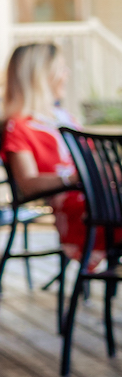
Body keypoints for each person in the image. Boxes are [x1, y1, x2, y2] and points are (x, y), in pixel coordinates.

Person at [2, 43, 87, 260]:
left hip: (98, 199)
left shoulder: (65, 118)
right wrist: (73, 178)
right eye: (61, 68)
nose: (67, 74)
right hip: (78, 209)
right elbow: (28, 183)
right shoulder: (18, 126)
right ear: (42, 76)